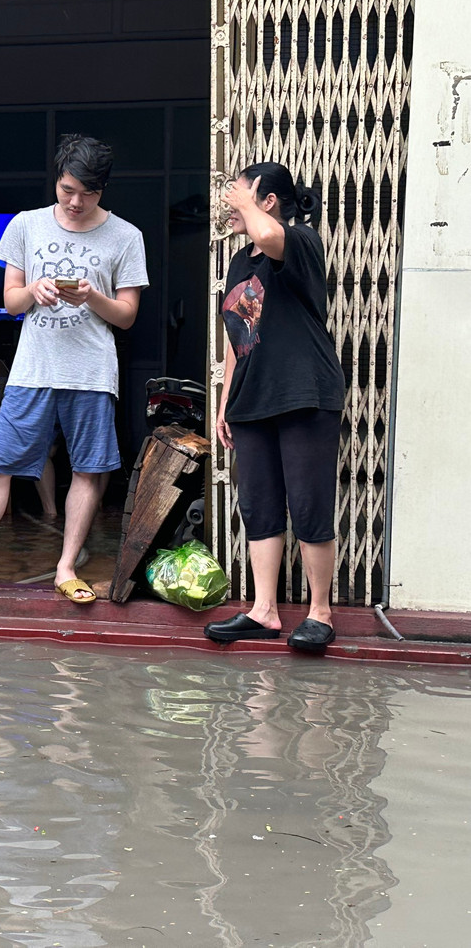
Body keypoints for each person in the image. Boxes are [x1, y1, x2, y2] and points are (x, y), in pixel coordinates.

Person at [0, 134, 148, 608]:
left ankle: (65, 569)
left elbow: (126, 314)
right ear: (56, 181)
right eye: (67, 190)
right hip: (32, 371)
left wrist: (92, 298)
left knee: (86, 472)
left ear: (104, 189)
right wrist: (35, 289)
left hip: (91, 373)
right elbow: (10, 301)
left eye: (88, 193)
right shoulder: (26, 225)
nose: (76, 202)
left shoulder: (126, 235)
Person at [203, 163, 345, 653]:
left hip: (305, 391)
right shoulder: (240, 261)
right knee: (259, 506)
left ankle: (319, 613)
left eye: (239, 194)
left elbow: (270, 234)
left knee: (308, 503)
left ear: (266, 200)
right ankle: (264, 611)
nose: (228, 202)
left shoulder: (299, 239)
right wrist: (226, 399)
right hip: (252, 399)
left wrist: (248, 203)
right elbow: (236, 335)